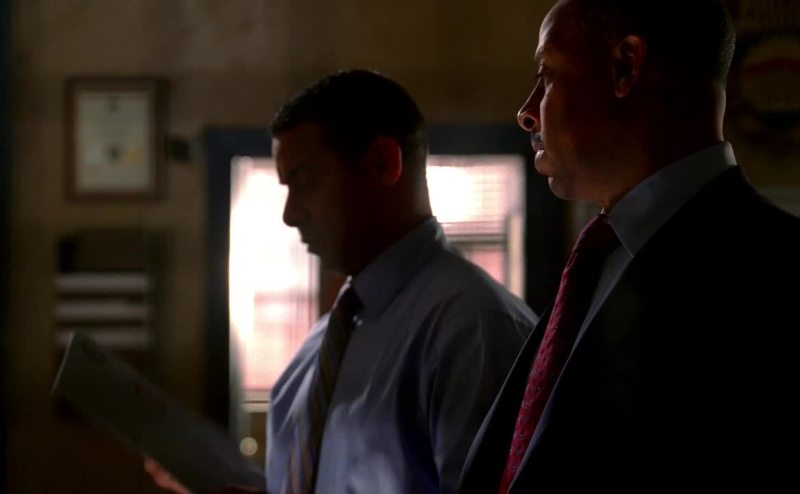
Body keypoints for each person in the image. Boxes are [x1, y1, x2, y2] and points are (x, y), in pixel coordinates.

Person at [457, 0, 800, 491]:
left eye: (547, 75)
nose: (526, 113)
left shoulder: (776, 274)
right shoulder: (600, 258)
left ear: (625, 68)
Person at [149, 69, 537, 494]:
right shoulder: (325, 342)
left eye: (306, 182)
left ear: (383, 165)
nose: (289, 214)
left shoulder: (474, 329)